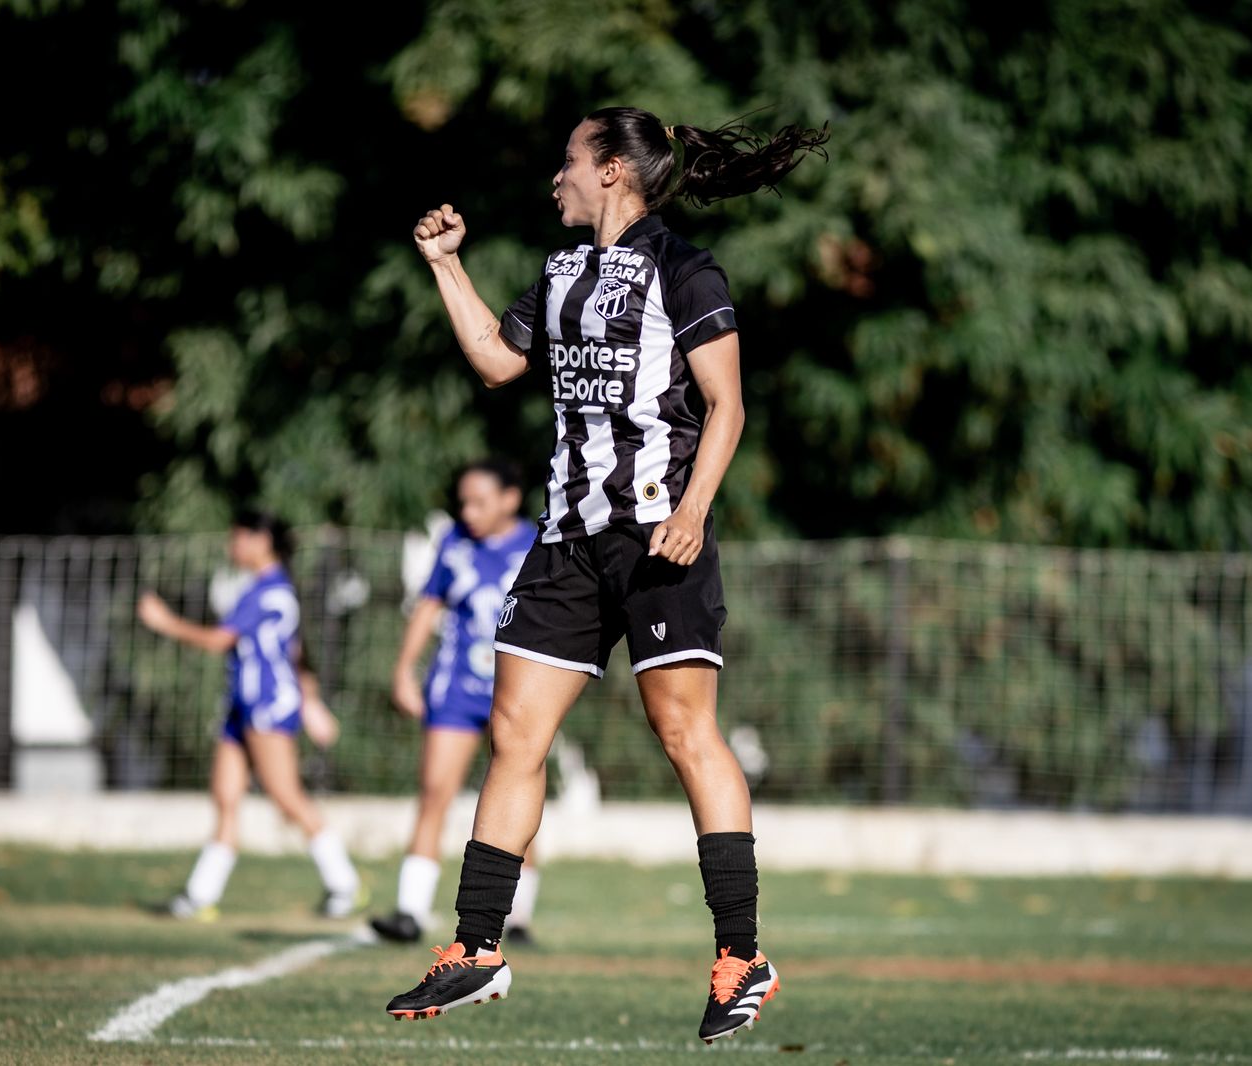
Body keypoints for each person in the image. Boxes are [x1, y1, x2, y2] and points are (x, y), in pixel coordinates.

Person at [385, 106, 826, 1042]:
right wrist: (446, 267)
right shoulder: (556, 274)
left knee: (684, 734)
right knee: (514, 731)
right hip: (568, 540)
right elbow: (497, 364)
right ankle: (475, 948)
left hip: (660, 535)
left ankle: (742, 955)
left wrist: (694, 510)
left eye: (569, 162)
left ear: (615, 172)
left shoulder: (686, 267)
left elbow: (727, 406)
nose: (557, 178)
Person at [137, 509, 362, 921]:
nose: (232, 546)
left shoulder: (269, 591)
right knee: (226, 797)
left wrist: (165, 622)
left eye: (239, 537)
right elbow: (292, 651)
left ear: (262, 541)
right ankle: (199, 895)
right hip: (241, 708)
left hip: (266, 707)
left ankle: (343, 884)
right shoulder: (263, 589)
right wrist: (311, 701)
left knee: (287, 797)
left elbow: (219, 640)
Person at [369, 459, 540, 946]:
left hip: (520, 691)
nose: (467, 511)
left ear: (510, 498)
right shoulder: (454, 544)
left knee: (520, 799)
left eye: (479, 501)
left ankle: (517, 914)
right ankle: (409, 911)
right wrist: (404, 669)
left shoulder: (539, 542)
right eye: (462, 501)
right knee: (434, 791)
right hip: (456, 688)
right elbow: (428, 606)